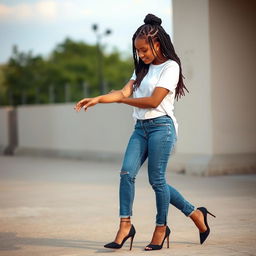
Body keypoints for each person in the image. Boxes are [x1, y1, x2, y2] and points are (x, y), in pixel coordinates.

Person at [74, 13, 215, 251]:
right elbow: (122, 92)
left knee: (156, 180)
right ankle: (126, 226)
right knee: (126, 173)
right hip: (140, 129)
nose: (141, 55)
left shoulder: (171, 67)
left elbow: (153, 101)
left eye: (144, 50)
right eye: (137, 51)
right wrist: (98, 99)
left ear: (157, 44)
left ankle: (161, 228)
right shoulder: (141, 69)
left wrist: (122, 102)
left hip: (162, 127)